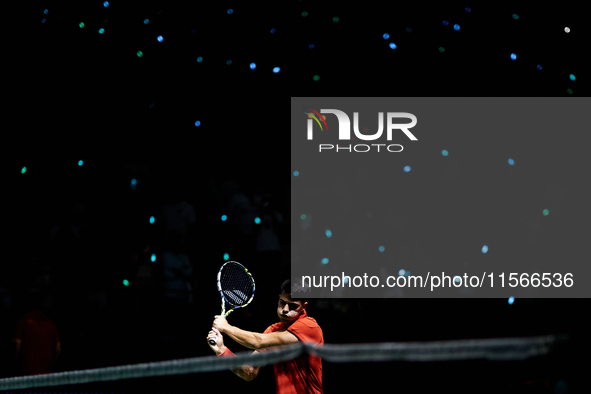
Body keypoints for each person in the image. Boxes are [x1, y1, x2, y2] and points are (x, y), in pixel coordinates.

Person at [207, 279, 323, 394]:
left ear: (304, 306)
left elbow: (258, 341)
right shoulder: (273, 330)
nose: (285, 310)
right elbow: (249, 372)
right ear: (279, 298)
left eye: (292, 306)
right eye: (282, 302)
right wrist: (222, 350)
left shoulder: (309, 327)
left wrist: (226, 327)